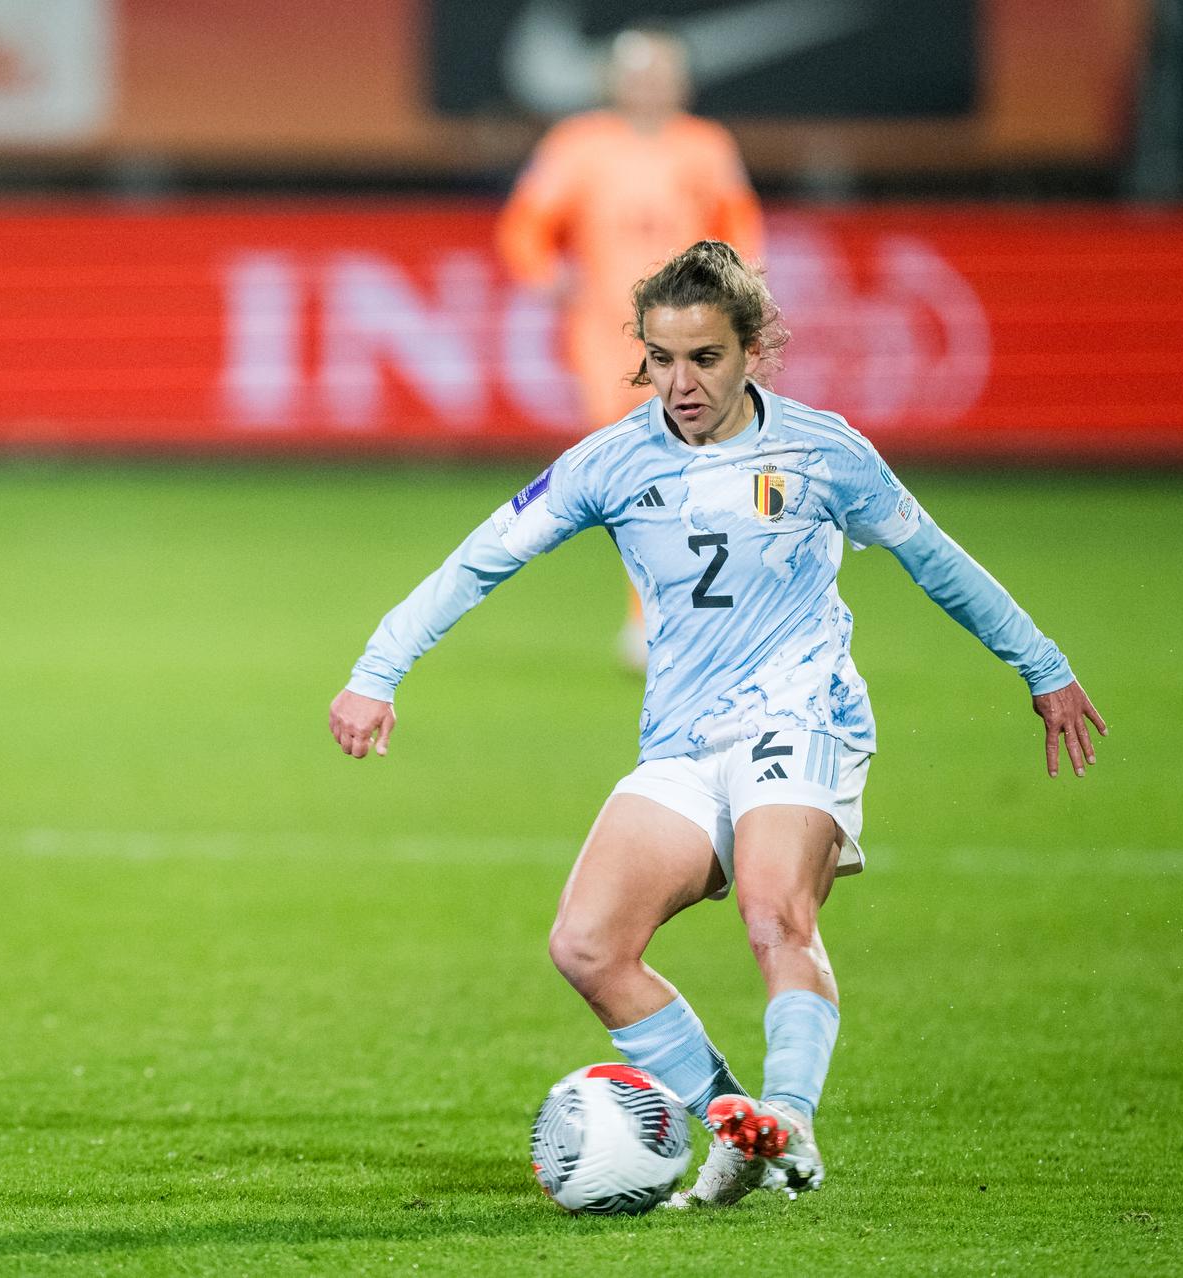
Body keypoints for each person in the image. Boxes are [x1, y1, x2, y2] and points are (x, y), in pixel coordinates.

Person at [328, 241, 1105, 1208]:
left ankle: (794, 1113)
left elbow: (937, 561)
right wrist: (378, 669)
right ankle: (742, 1126)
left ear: (753, 353)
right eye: (660, 358)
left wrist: (1044, 668)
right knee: (587, 946)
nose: (680, 382)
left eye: (704, 357)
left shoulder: (824, 452)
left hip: (802, 714)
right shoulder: (611, 461)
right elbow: (482, 558)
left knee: (775, 910)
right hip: (684, 740)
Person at [497, 28, 764, 669]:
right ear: (613, 82)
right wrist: (545, 274)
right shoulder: (578, 145)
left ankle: (709, 610)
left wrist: (742, 298)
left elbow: (742, 229)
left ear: (681, 83)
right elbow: (524, 225)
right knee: (640, 473)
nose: (648, 87)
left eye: (660, 75)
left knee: (702, 469)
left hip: (695, 338)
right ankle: (651, 617)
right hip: (605, 335)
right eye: (636, 75)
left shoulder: (706, 146)